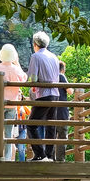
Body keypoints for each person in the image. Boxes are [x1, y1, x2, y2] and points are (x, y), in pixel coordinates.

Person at [26, 31, 60, 161]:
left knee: (31, 124)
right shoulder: (54, 57)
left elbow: (32, 78)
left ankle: (40, 154)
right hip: (55, 94)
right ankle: (50, 155)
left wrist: (31, 85)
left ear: (35, 44)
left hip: (44, 94)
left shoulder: (36, 57)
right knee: (51, 125)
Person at [54, 60, 72, 162]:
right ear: (62, 70)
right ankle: (60, 160)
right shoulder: (61, 76)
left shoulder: (50, 77)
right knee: (62, 135)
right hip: (61, 111)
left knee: (51, 135)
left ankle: (50, 158)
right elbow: (70, 90)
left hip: (51, 110)